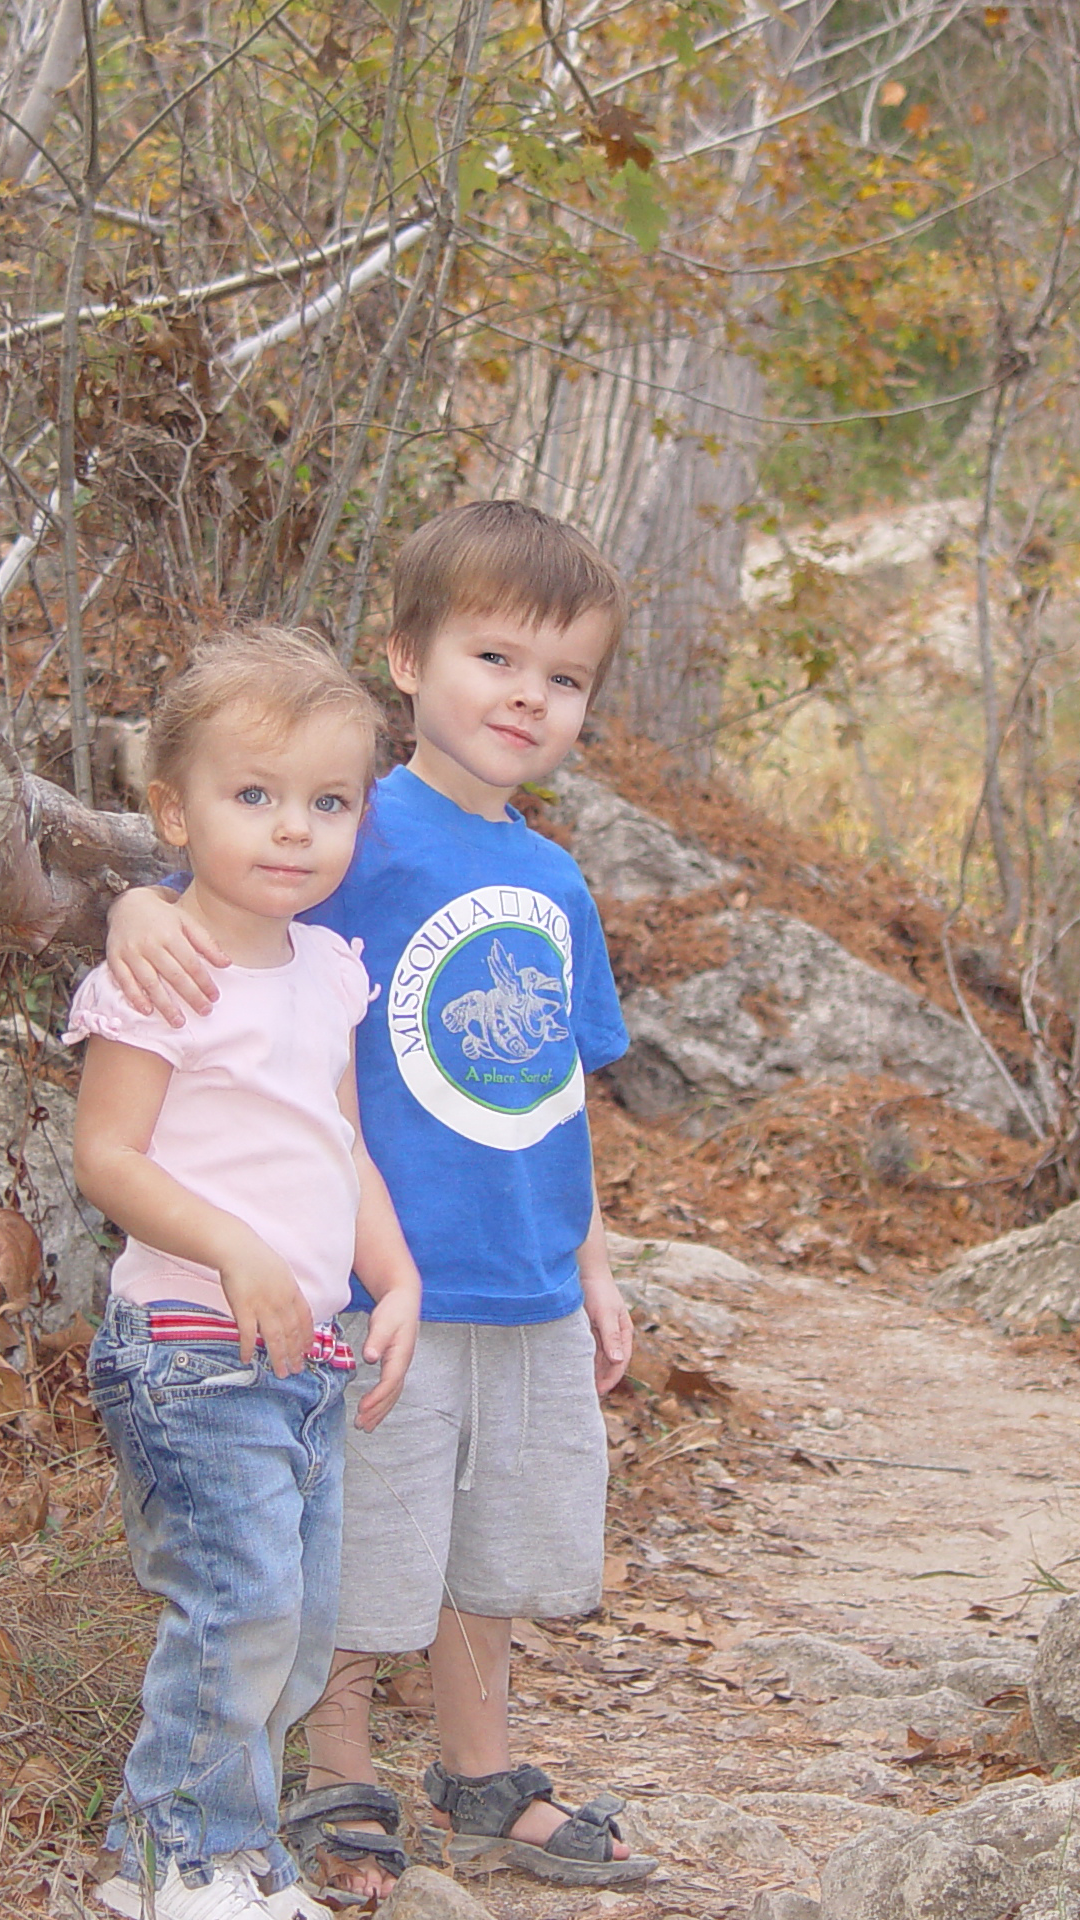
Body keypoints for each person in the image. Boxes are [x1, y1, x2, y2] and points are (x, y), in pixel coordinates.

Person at [105, 500, 658, 1898]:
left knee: (496, 1545)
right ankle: (336, 1774)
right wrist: (137, 906)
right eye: (494, 658)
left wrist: (592, 1259)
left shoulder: (555, 877)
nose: (527, 697)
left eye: (565, 677)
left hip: (525, 1271)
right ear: (407, 660)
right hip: (376, 1277)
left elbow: (554, 1088)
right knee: (367, 1539)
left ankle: (481, 1774)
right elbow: (221, 919)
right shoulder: (352, 830)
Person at [68, 626, 426, 1920]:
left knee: (297, 1626)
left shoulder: (328, 971)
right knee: (239, 1610)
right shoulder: (164, 963)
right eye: (255, 797)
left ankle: (224, 1849)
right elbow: (106, 1156)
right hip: (190, 1345)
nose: (294, 832)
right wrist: (231, 1251)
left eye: (329, 804)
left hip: (310, 1355)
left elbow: (342, 1149)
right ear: (174, 808)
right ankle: (178, 1861)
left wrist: (397, 1281)